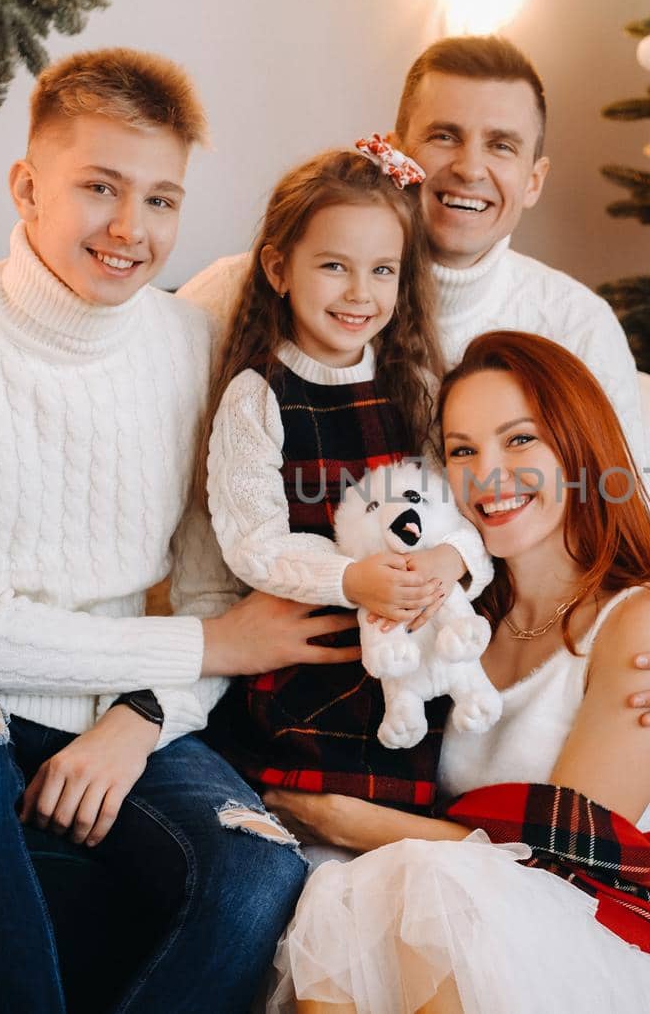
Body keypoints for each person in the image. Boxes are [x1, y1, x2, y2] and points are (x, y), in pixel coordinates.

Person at [180, 36, 650, 1012]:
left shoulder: (567, 312)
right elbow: (194, 469)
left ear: (531, 175)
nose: (470, 166)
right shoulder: (275, 278)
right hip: (399, 594)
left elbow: (622, 496)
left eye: (500, 145)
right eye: (444, 135)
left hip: (528, 564)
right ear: (397, 147)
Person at [0, 49, 353, 1014]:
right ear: (27, 188)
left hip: (119, 687)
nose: (129, 228)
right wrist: (205, 645)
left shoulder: (195, 348)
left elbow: (206, 591)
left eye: (161, 200)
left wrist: (141, 717)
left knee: (263, 870)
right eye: (99, 188)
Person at [264, 330, 650, 1013]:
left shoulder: (644, 621)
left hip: (600, 929)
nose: (488, 475)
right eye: (462, 451)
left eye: (520, 440)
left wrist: (347, 820)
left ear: (577, 449)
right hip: (457, 912)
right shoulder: (457, 616)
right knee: (340, 898)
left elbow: (573, 858)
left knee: (420, 886)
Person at [197, 146, 491, 837]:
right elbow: (252, 544)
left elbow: (465, 513)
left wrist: (455, 561)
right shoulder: (257, 395)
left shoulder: (414, 384)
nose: (360, 293)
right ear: (279, 269)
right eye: (334, 266)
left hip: (416, 666)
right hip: (313, 670)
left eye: (381, 270)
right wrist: (351, 577)